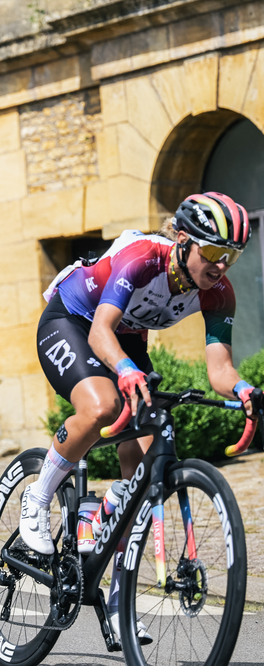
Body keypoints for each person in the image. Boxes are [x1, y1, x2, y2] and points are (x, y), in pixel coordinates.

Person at [21, 192, 259, 644]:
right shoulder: (143, 259)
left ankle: (116, 596)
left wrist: (243, 388)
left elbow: (219, 370)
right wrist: (127, 371)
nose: (220, 266)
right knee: (103, 406)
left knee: (148, 463)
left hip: (126, 340)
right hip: (74, 320)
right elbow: (99, 332)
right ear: (184, 241)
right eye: (212, 252)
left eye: (230, 256)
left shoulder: (220, 293)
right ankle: (37, 496)